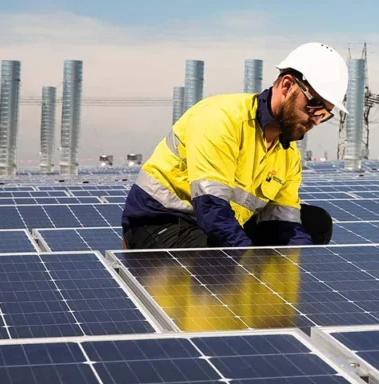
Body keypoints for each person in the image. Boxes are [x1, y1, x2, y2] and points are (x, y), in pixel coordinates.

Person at [121, 42, 347, 249]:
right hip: (164, 220)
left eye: (325, 114)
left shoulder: (288, 155)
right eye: (314, 106)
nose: (316, 120)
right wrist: (246, 260)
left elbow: (284, 223)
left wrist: (300, 260)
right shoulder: (221, 119)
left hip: (219, 222)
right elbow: (211, 207)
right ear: (287, 86)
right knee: (219, 263)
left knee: (315, 223)